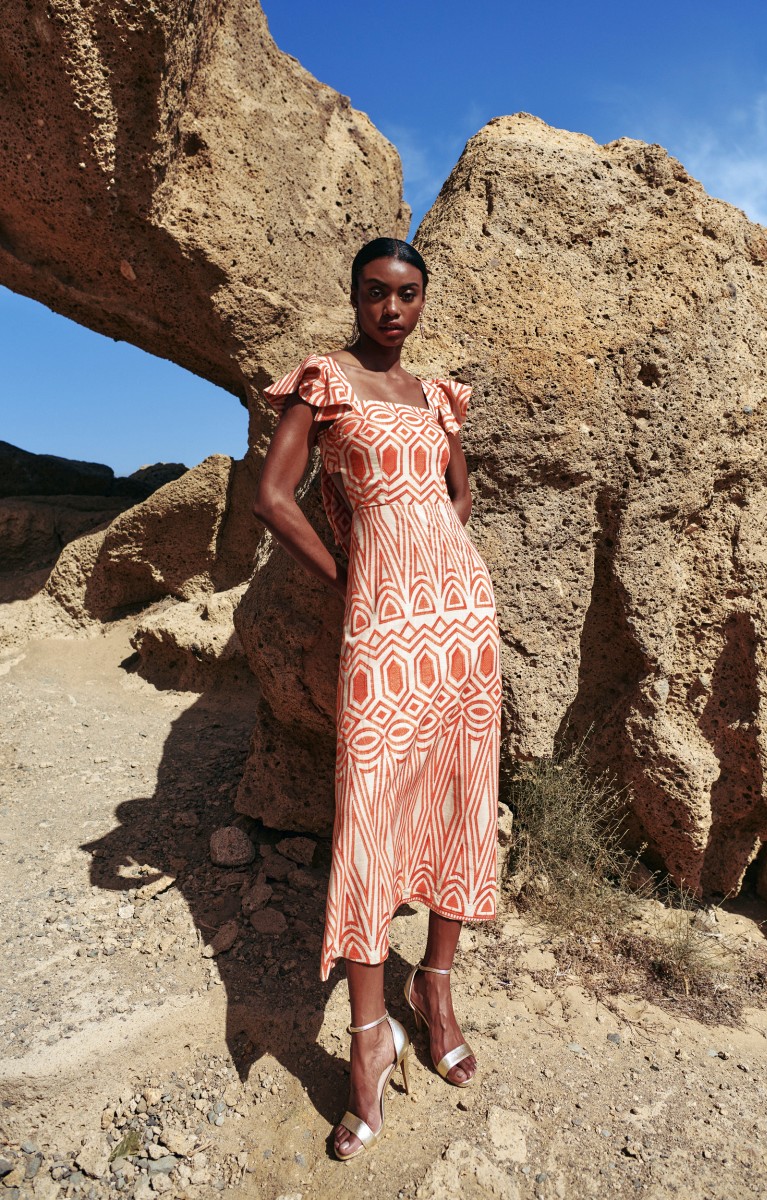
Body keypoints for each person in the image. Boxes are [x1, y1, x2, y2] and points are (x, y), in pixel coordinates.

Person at [253, 237, 502, 1161]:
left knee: (455, 804)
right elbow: (275, 498)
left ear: (422, 301)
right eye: (375, 294)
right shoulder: (327, 384)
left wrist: (440, 558)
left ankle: (435, 988)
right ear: (354, 300)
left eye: (406, 294)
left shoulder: (440, 397)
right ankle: (368, 1042)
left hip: (464, 627)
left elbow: (457, 494)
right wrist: (355, 573)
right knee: (369, 819)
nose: (391, 309)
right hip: (382, 634)